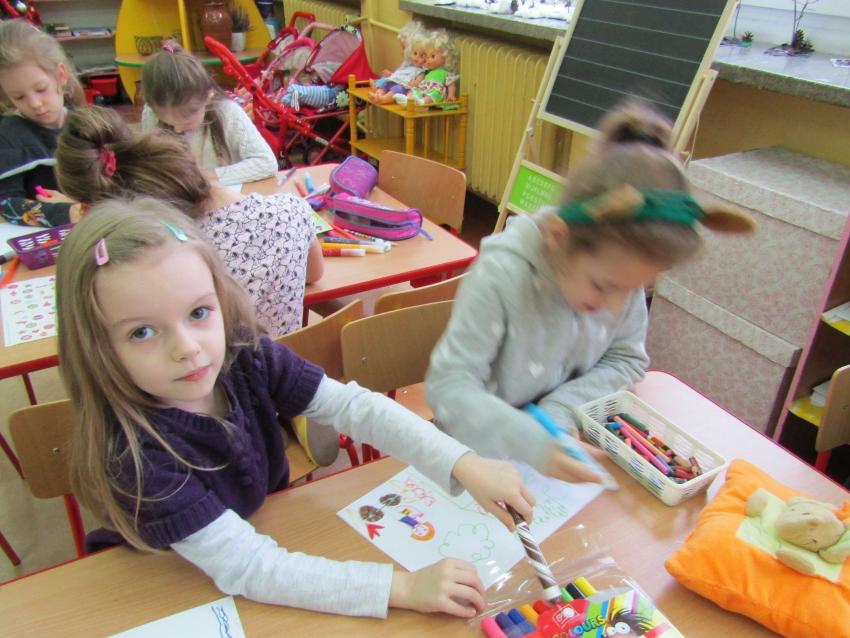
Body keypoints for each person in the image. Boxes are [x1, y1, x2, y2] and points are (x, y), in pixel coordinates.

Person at [57, 198, 535, 618]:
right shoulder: (136, 456)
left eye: (199, 313)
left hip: (258, 527)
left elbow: (354, 407)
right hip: (165, 583)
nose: (187, 348)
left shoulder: (246, 356)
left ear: (220, 300)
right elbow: (248, 568)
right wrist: (401, 588)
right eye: (142, 332)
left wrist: (462, 462)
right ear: (98, 348)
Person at [426, 102, 755, 483]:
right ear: (557, 235)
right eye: (604, 286)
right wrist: (532, 441)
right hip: (469, 454)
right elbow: (449, 387)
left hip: (556, 451)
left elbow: (626, 359)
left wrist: (556, 415)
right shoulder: (501, 275)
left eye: (634, 289)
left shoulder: (618, 271)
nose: (614, 305)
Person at [56, 105, 322, 336]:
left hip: (211, 376)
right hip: (287, 364)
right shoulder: (292, 209)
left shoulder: (163, 256)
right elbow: (314, 275)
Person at [141, 42, 277, 186]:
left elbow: (266, 163)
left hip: (226, 193)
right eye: (168, 122)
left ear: (207, 98)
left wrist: (203, 177)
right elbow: (152, 164)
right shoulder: (151, 113)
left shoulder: (227, 112)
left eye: (186, 122)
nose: (178, 130)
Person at [0, 20, 85, 226]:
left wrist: (83, 206)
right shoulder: (9, 136)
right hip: (43, 238)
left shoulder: (86, 124)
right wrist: (67, 211)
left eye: (40, 89)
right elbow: (5, 204)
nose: (35, 104)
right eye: (19, 97)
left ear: (61, 75)